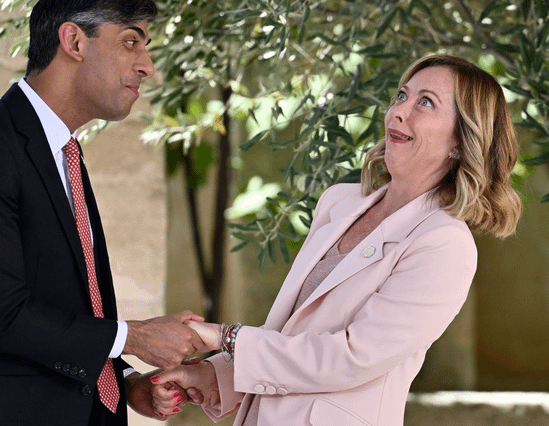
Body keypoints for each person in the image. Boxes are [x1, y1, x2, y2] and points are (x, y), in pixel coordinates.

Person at [148, 55, 523, 425]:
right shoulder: (339, 202)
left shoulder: (444, 245)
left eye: (426, 103)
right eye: (402, 96)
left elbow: (350, 358)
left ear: (461, 140)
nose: (398, 112)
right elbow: (293, 336)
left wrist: (224, 336)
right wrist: (214, 377)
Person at [0, 1, 208, 425]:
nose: (147, 66)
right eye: (130, 42)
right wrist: (134, 337)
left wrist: (123, 381)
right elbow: (2, 317)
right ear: (74, 41)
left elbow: (69, 306)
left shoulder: (64, 152)